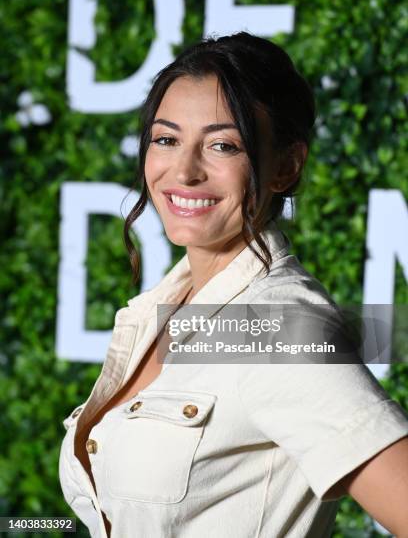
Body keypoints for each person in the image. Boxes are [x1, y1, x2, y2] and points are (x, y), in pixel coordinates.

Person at [59, 32, 408, 538]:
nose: (183, 170)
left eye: (223, 145)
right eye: (166, 139)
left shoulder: (275, 328)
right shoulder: (163, 307)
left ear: (285, 167)